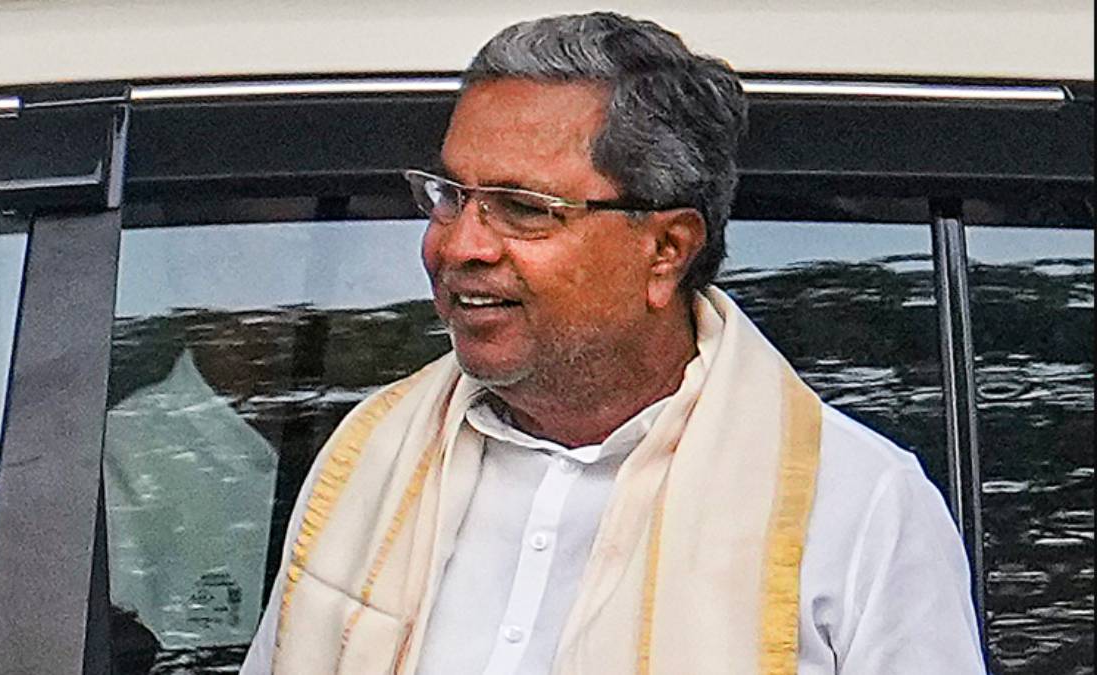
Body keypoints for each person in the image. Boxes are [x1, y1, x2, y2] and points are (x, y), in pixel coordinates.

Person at [242, 12, 985, 674]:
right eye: (451, 196)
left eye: (522, 208)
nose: (459, 245)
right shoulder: (370, 460)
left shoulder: (856, 508)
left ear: (666, 250)